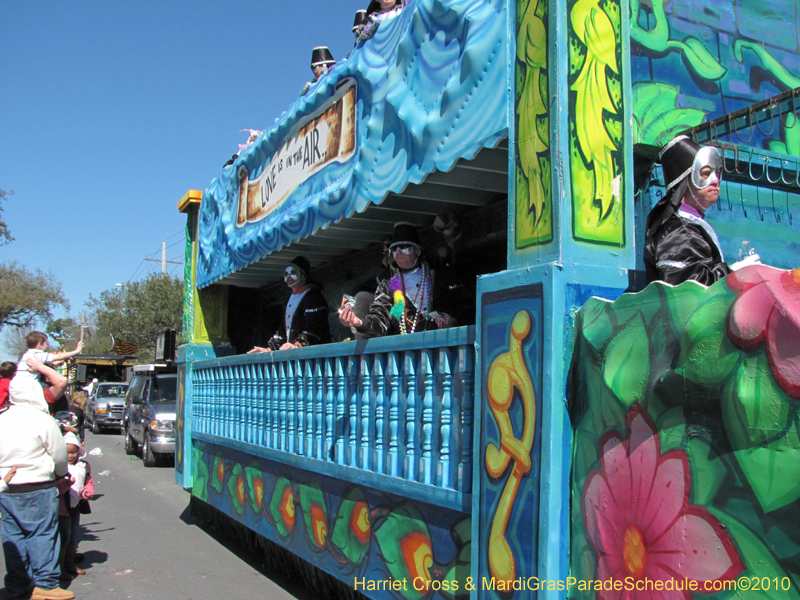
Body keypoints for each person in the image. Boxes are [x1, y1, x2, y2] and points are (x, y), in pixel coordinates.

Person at [644, 135, 761, 285]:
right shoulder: (678, 231)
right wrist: (732, 274)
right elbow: (686, 289)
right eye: (705, 173)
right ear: (685, 181)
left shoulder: (687, 226)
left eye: (717, 173)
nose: (715, 180)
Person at [0, 399, 74, 600]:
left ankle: (17, 584)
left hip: (7, 486)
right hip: (37, 485)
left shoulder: (3, 418)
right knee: (42, 535)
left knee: (13, 536)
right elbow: (59, 456)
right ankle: (45, 584)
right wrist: (61, 473)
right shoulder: (42, 420)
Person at [339, 222, 456, 336]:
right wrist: (358, 322)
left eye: (405, 248)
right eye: (394, 249)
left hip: (439, 344)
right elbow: (380, 319)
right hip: (405, 349)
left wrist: (449, 319)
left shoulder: (437, 275)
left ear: (417, 250)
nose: (399, 253)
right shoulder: (388, 285)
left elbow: (457, 303)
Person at [248, 257, 331, 353]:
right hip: (294, 356)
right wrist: (269, 349)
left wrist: (299, 344)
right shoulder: (289, 298)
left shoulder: (314, 296)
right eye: (286, 274)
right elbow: (283, 330)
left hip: (314, 356)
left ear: (303, 276)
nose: (288, 277)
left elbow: (315, 325)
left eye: (293, 273)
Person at [10, 332, 82, 413]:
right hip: (30, 385)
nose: (47, 346)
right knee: (60, 394)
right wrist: (76, 351)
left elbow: (53, 362)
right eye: (46, 343)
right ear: (39, 344)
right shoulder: (38, 354)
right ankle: (62, 416)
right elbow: (58, 357)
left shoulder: (26, 355)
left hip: (15, 384)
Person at [58, 432, 92, 581]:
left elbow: (88, 482)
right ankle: (60, 568)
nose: (70, 456)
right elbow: (56, 486)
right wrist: (66, 484)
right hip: (62, 508)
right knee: (64, 537)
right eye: (67, 453)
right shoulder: (60, 468)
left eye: (73, 452)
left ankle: (70, 564)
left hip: (76, 506)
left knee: (73, 536)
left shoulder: (83, 466)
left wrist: (87, 492)